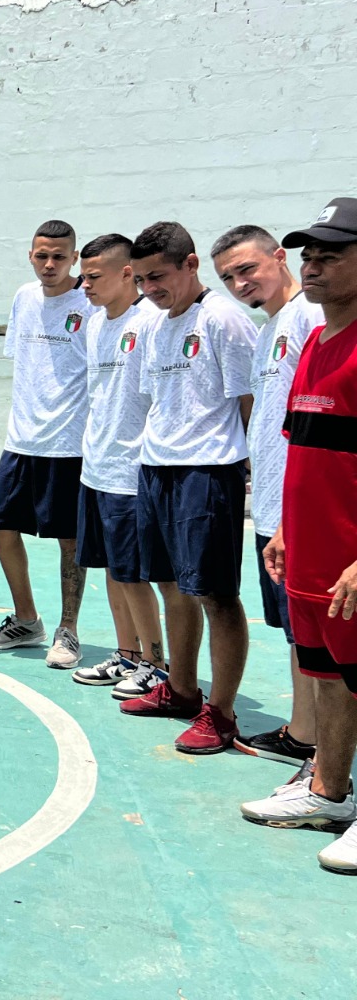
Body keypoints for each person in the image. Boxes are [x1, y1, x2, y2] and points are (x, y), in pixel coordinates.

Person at [247, 196, 357, 872]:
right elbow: (302, 446)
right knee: (326, 679)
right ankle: (329, 791)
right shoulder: (314, 340)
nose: (313, 265)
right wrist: (286, 528)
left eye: (332, 254)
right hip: (311, 555)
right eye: (309, 254)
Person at [120, 221, 257, 755]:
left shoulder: (224, 319)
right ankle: (179, 690)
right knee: (171, 585)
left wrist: (248, 472)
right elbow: (157, 399)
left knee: (216, 594)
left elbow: (250, 404)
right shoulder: (152, 325)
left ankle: (221, 715)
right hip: (157, 468)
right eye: (143, 279)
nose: (150, 288)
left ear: (191, 265)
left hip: (208, 472)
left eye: (159, 277)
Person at [212, 224, 322, 764]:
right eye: (229, 277)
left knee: (316, 635)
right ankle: (304, 732)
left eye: (247, 268)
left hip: (297, 513)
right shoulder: (270, 328)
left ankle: (319, 745)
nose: (239, 282)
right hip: (274, 509)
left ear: (280, 258)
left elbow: (315, 421)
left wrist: (294, 512)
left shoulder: (310, 316)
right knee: (295, 632)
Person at [0, 221, 89, 667]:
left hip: (70, 443)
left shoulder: (90, 302)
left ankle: (69, 630)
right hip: (22, 440)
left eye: (59, 256)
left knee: (70, 542)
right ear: (30, 255)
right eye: (42, 255)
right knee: (0, 525)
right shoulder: (24, 298)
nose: (50, 264)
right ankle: (27, 621)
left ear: (74, 258)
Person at [69, 234, 173, 697]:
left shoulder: (151, 322)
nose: (84, 285)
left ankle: (157, 663)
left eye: (93, 277)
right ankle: (127, 654)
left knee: (133, 574)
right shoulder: (94, 324)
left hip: (133, 472)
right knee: (111, 568)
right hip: (97, 467)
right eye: (83, 276)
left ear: (127, 273)